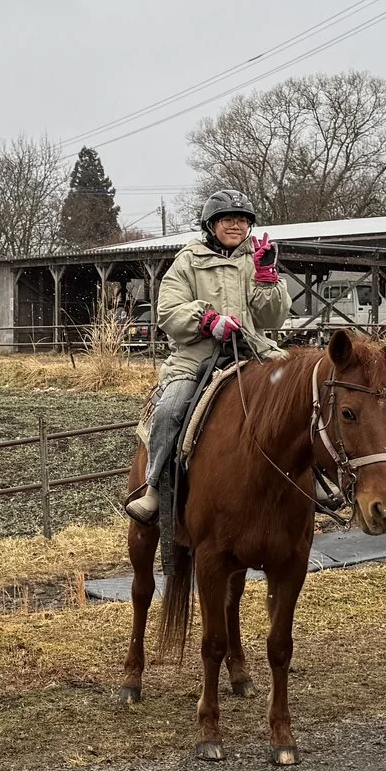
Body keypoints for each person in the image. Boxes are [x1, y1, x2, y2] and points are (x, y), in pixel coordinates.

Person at [123, 189, 290, 526]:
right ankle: (154, 487)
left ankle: (313, 479)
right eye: (227, 219)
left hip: (254, 349)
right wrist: (207, 320)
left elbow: (273, 319)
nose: (236, 225)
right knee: (170, 409)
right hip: (196, 355)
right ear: (211, 225)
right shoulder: (188, 260)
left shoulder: (257, 259)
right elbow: (168, 311)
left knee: (301, 393)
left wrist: (267, 280)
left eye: (242, 220)